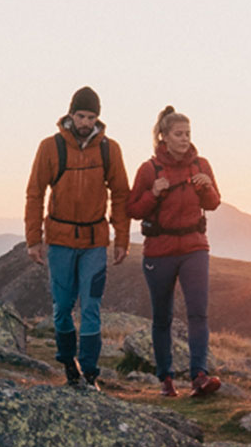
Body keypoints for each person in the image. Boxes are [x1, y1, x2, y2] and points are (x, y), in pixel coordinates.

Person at [24, 86, 130, 388]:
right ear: (70, 114)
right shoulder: (50, 147)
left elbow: (121, 195)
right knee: (61, 307)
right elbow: (35, 193)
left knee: (91, 306)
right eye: (81, 115)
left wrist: (121, 239)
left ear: (98, 118)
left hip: (95, 242)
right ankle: (69, 364)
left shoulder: (110, 149)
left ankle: (90, 372)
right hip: (59, 242)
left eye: (91, 116)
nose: (86, 122)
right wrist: (34, 239)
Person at [126, 104, 223, 397]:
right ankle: (166, 380)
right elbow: (132, 208)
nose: (185, 139)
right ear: (163, 137)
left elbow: (214, 202)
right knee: (162, 317)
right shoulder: (149, 169)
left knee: (198, 312)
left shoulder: (201, 165)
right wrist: (153, 192)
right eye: (179, 134)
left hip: (195, 247)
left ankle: (199, 376)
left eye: (188, 133)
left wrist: (206, 188)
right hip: (159, 251)